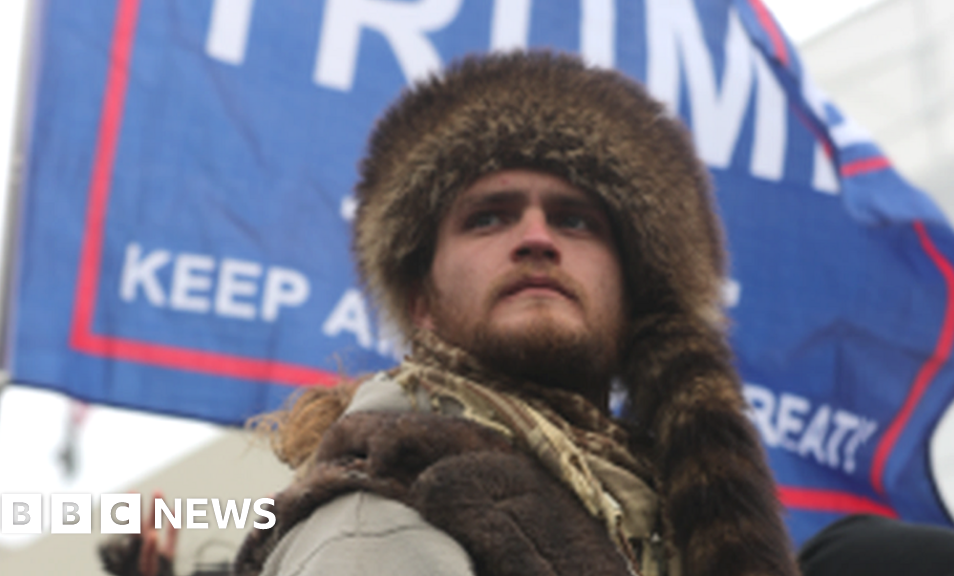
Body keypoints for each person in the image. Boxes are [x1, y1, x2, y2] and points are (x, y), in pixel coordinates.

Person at [233, 51, 798, 576]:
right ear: (420, 301)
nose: (536, 239)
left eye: (574, 220)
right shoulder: (378, 524)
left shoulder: (658, 528)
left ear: (635, 294)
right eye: (488, 218)